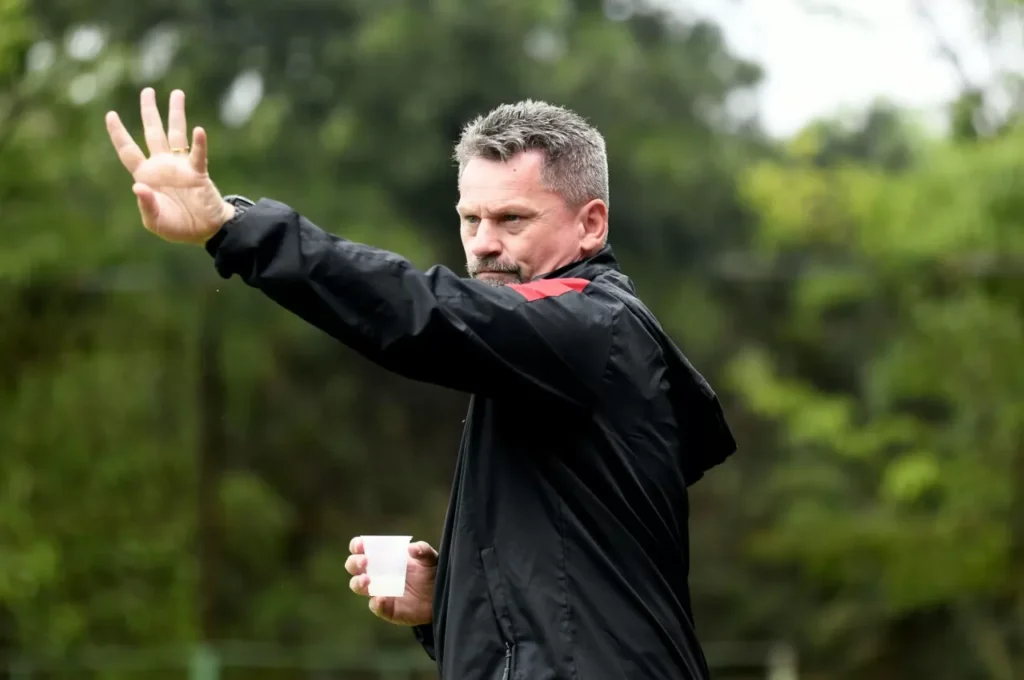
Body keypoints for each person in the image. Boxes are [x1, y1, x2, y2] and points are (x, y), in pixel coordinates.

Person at [105, 88, 737, 680]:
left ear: (591, 225)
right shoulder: (546, 354)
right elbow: (574, 603)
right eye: (470, 219)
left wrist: (232, 226)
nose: (483, 244)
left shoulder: (587, 324)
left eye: (511, 219)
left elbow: (419, 311)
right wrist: (455, 599)